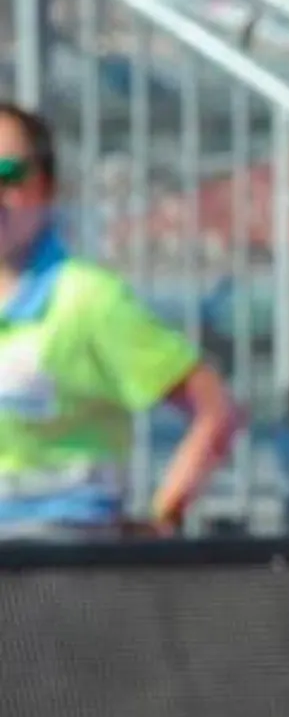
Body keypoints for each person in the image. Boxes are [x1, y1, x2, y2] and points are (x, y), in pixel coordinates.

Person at [0, 103, 242, 539]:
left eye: (8, 175)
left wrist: (163, 518)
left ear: (47, 186)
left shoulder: (87, 299)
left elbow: (215, 410)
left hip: (59, 560)